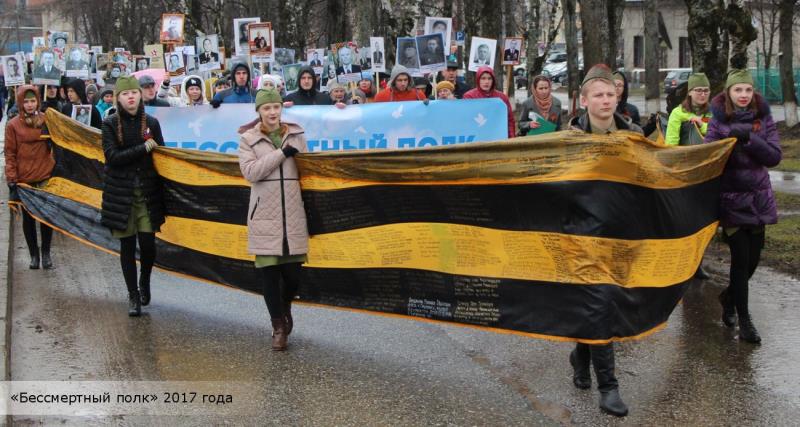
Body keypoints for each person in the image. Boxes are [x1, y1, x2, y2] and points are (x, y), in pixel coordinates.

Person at [566, 65, 643, 417]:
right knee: (600, 303)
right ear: (583, 101)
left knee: (601, 304)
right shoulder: (568, 140)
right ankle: (609, 388)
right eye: (598, 95)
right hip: (582, 236)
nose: (606, 100)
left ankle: (580, 354)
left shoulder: (634, 135)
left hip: (620, 234)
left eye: (611, 94)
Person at [704, 69, 782, 344]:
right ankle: (746, 321)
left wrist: (749, 138)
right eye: (738, 90)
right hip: (731, 199)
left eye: (748, 90)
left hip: (759, 198)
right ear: (728, 93)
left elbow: (774, 157)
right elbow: (708, 157)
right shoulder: (718, 121)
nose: (744, 96)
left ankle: (728, 297)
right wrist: (726, 141)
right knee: (740, 260)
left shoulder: (764, 118)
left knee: (753, 261)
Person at [238, 89, 309, 351]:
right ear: (258, 111)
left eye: (276, 107)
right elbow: (251, 172)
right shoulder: (248, 139)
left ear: (281, 109)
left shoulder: (297, 135)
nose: (272, 113)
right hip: (264, 215)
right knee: (269, 274)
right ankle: (278, 326)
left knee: (292, 276)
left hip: (292, 213)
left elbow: (309, 171)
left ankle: (285, 304)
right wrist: (282, 153)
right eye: (266, 108)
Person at [100, 76, 165, 317]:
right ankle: (133, 295)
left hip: (147, 193)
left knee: (148, 245)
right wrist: (143, 149)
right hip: (121, 194)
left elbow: (162, 156)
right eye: (125, 94)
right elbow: (112, 157)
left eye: (134, 93)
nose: (131, 97)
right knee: (127, 246)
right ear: (118, 98)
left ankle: (144, 279)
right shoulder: (109, 123)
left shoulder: (152, 122)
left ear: (140, 95)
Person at [4, 85, 56, 270]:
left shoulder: (47, 120)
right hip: (25, 178)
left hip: (44, 176)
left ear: (38, 101)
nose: (29, 104)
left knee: (46, 217)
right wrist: (12, 178)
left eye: (33, 100)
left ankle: (46, 253)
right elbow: (9, 153)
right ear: (20, 103)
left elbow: (58, 145)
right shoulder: (13, 125)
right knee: (29, 219)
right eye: (25, 101)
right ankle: (34, 254)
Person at [463, 66, 515, 138]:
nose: (486, 82)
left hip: (497, 135)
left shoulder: (502, 97)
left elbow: (509, 120)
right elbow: (466, 119)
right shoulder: (469, 96)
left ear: (493, 80)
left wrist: (511, 137)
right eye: (483, 78)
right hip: (477, 136)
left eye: (489, 78)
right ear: (478, 79)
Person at [665, 73, 711, 146]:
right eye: (698, 90)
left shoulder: (713, 112)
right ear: (689, 92)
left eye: (706, 90)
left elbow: (719, 133)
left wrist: (701, 125)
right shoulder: (677, 113)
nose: (703, 94)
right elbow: (671, 142)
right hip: (685, 154)